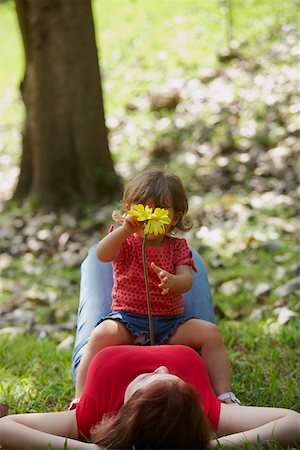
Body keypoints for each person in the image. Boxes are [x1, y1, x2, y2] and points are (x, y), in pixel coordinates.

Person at [75, 169, 237, 405]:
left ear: (175, 217)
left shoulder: (177, 247)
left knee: (210, 333)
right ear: (130, 208)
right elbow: (101, 254)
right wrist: (124, 230)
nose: (150, 216)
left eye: (160, 209)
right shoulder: (126, 241)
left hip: (170, 324)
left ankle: (224, 395)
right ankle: (80, 399)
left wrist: (173, 281)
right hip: (128, 320)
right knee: (99, 334)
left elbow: (187, 280)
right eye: (143, 208)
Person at [0, 345, 299, 449]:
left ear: (128, 410)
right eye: (174, 378)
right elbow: (293, 423)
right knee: (188, 260)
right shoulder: (200, 411)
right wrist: (213, 445)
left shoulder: (95, 413)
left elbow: (5, 428)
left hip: (103, 334)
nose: (160, 366)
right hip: (178, 322)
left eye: (147, 380)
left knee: (96, 261)